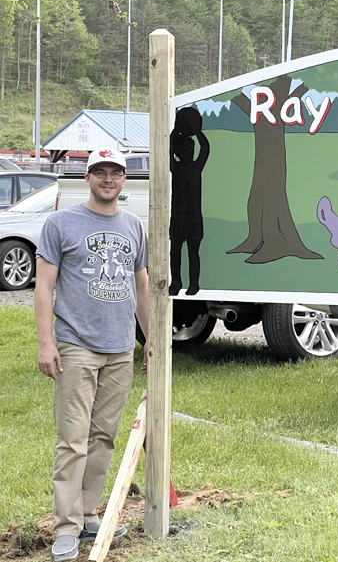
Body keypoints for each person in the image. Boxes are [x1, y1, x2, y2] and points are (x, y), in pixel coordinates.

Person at [34, 148, 149, 562]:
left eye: (115, 172)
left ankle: (87, 516)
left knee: (103, 438)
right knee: (73, 441)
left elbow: (140, 285)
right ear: (87, 178)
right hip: (76, 347)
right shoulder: (61, 223)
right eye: (99, 172)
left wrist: (149, 339)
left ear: (124, 179)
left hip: (119, 350)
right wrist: (47, 343)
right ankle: (64, 529)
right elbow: (44, 287)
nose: (108, 179)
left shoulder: (134, 225)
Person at [169, 107, 209, 296]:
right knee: (177, 252)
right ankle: (177, 282)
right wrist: (191, 131)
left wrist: (184, 130)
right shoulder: (178, 168)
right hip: (180, 217)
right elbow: (205, 148)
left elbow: (205, 149)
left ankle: (192, 284)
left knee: (192, 252)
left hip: (191, 217)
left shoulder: (192, 168)